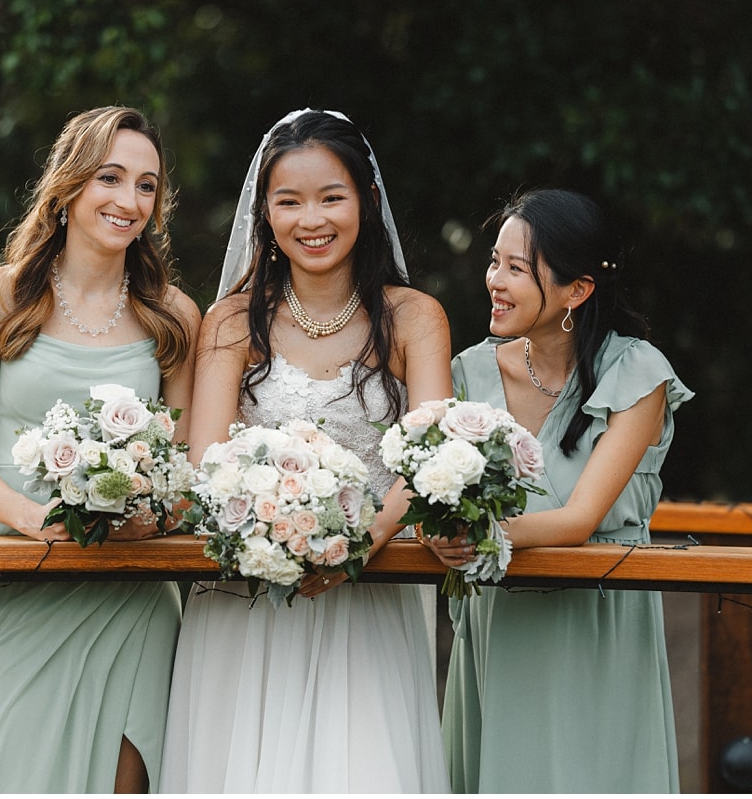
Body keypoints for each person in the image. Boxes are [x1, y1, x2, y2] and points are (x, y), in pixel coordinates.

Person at [161, 109, 452, 792]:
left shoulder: (414, 316)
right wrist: (270, 526)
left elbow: (430, 458)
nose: (310, 219)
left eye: (331, 197)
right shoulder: (232, 321)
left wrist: (360, 542)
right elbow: (207, 461)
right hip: (245, 595)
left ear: (367, 201)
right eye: (288, 200)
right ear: (264, 213)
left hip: (370, 596)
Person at [0, 106, 199, 792]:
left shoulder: (172, 313)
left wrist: (153, 512)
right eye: (111, 177)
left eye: (147, 185)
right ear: (69, 185)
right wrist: (36, 523)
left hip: (131, 590)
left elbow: (186, 464)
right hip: (22, 575)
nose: (129, 201)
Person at [428, 188, 692, 793]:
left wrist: (479, 533)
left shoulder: (638, 373)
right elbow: (433, 493)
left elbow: (579, 519)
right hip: (500, 620)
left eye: (517, 268)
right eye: (494, 261)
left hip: (597, 618)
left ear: (578, 290)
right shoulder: (467, 371)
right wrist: (435, 531)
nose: (495, 280)